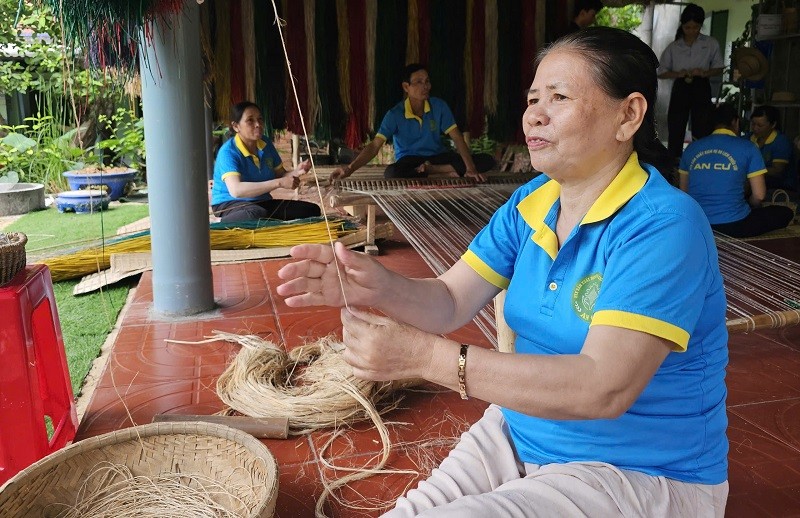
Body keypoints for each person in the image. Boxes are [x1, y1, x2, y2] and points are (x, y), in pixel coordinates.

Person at [279, 27, 729, 517]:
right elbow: (450, 300)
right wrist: (379, 285)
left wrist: (428, 359)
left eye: (559, 97)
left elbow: (605, 386)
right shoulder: (530, 204)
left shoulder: (663, 226)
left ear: (629, 115)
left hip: (636, 471)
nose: (534, 113)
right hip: (521, 431)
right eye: (534, 97)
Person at [329, 64, 495, 182]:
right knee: (392, 173)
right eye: (419, 82)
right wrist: (349, 168)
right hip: (410, 161)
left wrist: (471, 169)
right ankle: (443, 170)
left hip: (437, 158)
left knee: (487, 160)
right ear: (406, 87)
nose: (426, 86)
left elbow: (457, 138)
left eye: (427, 81)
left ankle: (432, 171)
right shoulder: (395, 114)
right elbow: (374, 146)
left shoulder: (439, 106)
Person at [679, 104, 794, 238]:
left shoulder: (691, 149)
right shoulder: (748, 147)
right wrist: (750, 205)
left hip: (697, 224)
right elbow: (759, 196)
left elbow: (683, 192)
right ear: (736, 122)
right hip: (735, 225)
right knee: (786, 212)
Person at [211, 101, 322, 223]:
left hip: (261, 202)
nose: (258, 124)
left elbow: (280, 175)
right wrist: (279, 183)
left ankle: (264, 222)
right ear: (236, 126)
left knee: (312, 210)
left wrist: (297, 171)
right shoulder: (228, 151)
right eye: (250, 120)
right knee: (256, 214)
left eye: (260, 119)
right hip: (230, 204)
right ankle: (219, 222)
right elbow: (236, 190)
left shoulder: (265, 144)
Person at [658, 3, 724, 160]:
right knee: (676, 125)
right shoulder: (674, 47)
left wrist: (704, 72)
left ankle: (700, 159)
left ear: (701, 26)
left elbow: (719, 67)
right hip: (681, 86)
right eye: (688, 27)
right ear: (682, 26)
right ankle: (674, 162)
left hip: (701, 85)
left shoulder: (710, 43)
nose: (692, 31)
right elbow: (661, 72)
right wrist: (678, 73)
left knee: (702, 124)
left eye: (696, 27)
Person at [747, 105, 796, 190]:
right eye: (753, 124)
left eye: (760, 125)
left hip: (780, 189)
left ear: (773, 124)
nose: (755, 128)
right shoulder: (747, 139)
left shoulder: (781, 142)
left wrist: (751, 169)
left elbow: (777, 171)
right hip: (755, 185)